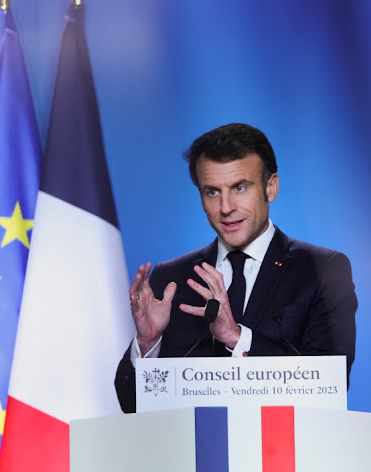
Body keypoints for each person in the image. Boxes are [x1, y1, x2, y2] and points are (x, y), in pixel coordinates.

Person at [114, 123, 357, 413]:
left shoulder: (322, 269)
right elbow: (132, 406)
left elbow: (332, 383)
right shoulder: (173, 279)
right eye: (212, 192)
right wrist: (148, 343)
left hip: (285, 452)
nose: (226, 207)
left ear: (271, 187)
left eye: (239, 188)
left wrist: (236, 337)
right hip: (195, 454)